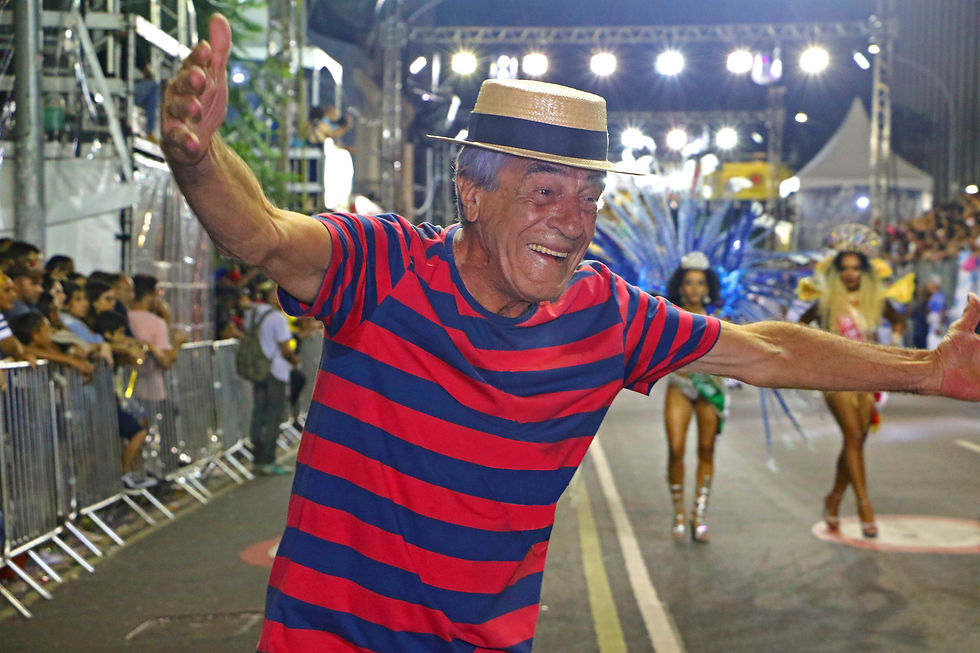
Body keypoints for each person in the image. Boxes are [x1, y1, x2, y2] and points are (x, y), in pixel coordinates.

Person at [162, 16, 980, 652]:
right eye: (546, 190)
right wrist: (200, 160)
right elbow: (264, 232)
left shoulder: (608, 314)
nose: (574, 220)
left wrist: (930, 367)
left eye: (589, 196)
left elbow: (765, 349)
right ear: (472, 192)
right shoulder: (383, 268)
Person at [797, 226, 907, 538]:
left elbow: (898, 319)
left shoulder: (875, 299)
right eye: (844, 269)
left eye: (856, 268)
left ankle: (833, 498)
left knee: (855, 440)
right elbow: (801, 327)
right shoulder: (827, 301)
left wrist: (896, 339)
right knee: (854, 435)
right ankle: (864, 506)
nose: (850, 274)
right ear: (835, 272)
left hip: (868, 377)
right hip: (835, 378)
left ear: (865, 271)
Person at [661, 252, 727, 543]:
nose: (695, 289)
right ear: (680, 286)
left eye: (701, 283)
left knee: (706, 449)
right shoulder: (669, 315)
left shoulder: (721, 320)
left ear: (708, 286)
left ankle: (698, 516)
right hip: (679, 386)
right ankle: (677, 514)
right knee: (676, 450)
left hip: (709, 390)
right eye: (689, 283)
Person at [243, 278, 298, 476]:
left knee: (259, 415)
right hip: (275, 371)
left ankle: (257, 459)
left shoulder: (252, 314)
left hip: (258, 369)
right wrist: (294, 359)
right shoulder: (277, 317)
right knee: (273, 416)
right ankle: (268, 459)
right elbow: (285, 348)